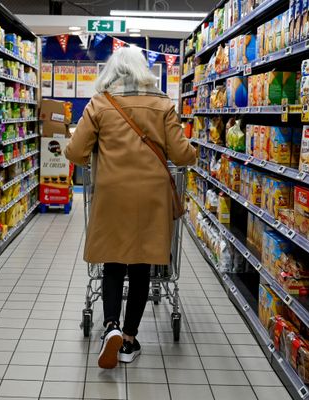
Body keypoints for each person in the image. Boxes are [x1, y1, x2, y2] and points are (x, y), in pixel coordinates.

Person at [64, 46, 197, 369]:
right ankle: (129, 339)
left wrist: (92, 156)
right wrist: (191, 152)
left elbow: (75, 151)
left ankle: (110, 325)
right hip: (152, 199)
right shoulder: (163, 104)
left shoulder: (100, 103)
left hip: (111, 196)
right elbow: (181, 156)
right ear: (143, 71)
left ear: (111, 72)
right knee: (141, 267)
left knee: (112, 263)